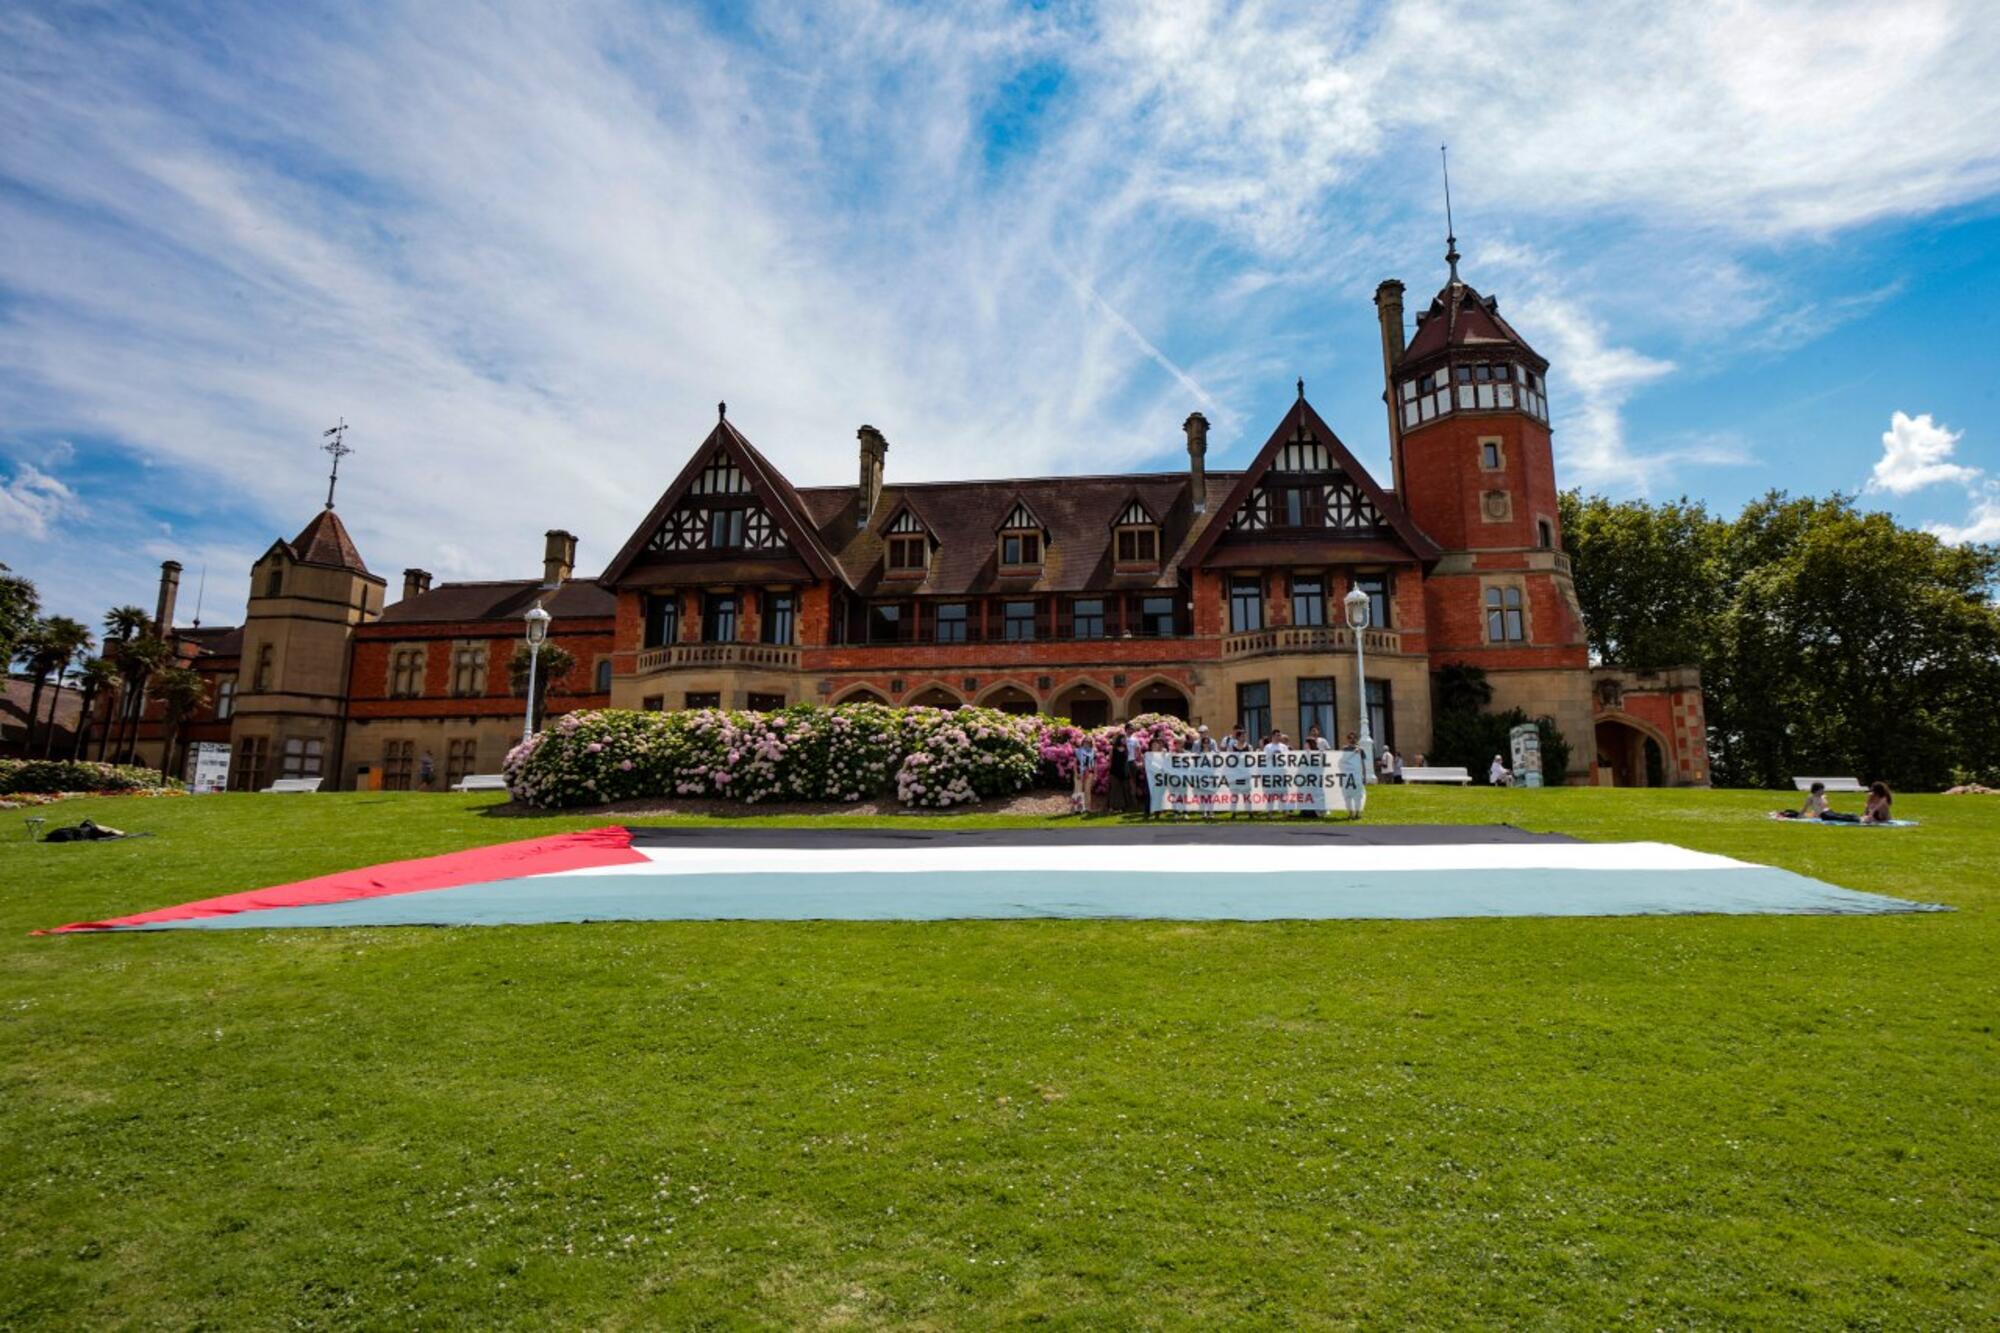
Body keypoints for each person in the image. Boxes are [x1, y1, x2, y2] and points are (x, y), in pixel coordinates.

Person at [1071, 735, 1097, 815]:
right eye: (1085, 742)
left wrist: (1095, 774)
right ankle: (1077, 809)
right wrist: (1076, 773)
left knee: (1087, 791)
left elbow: (1095, 764)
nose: (1087, 743)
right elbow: (1075, 763)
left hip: (1089, 773)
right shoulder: (1077, 751)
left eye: (1089, 742)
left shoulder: (1093, 752)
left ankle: (1087, 808)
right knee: (1078, 790)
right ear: (1083, 742)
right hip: (1079, 773)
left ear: (1091, 743)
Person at [1105, 725, 1129, 812]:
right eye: (1123, 739)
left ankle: (1120, 807)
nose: (1124, 740)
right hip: (1114, 771)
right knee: (1114, 789)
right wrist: (1110, 771)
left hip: (1123, 771)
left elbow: (1126, 761)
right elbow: (1110, 760)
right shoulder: (1113, 749)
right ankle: (1111, 807)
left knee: (1121, 790)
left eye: (1125, 739)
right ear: (1119, 739)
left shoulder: (1126, 749)